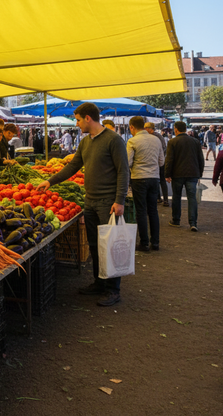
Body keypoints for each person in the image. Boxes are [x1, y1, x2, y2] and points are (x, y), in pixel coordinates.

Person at [37, 102, 129, 307]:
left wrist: (119, 200)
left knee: (110, 245)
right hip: (90, 201)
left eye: (78, 120)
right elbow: (73, 166)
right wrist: (50, 181)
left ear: (88, 118)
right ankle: (99, 282)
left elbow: (123, 171)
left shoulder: (114, 140)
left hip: (108, 202)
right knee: (95, 244)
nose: (76, 124)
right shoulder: (86, 142)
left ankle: (113, 289)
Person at [126, 116, 164, 252]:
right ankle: (155, 242)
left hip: (139, 178)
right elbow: (161, 162)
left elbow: (128, 162)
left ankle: (144, 243)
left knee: (141, 211)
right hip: (154, 178)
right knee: (153, 210)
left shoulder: (132, 141)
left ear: (132, 127)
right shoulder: (156, 140)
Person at [164, 121, 204, 231]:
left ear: (176, 129)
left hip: (177, 174)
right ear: (185, 129)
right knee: (192, 198)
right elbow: (200, 159)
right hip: (193, 173)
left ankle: (176, 220)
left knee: (176, 197)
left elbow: (169, 160)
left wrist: (167, 174)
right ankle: (193, 223)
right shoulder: (195, 141)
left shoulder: (172, 142)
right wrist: (199, 173)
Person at [144, 122, 169, 207]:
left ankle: (165, 199)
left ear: (149, 128)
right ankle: (158, 198)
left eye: (145, 128)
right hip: (154, 162)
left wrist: (159, 159)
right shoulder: (151, 136)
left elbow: (163, 149)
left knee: (162, 181)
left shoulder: (158, 136)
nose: (144, 129)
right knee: (156, 181)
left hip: (159, 162)